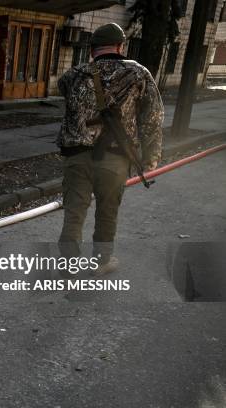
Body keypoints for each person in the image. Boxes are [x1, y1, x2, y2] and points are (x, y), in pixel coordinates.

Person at [57, 22, 164, 276]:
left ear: (92, 49)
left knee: (74, 210)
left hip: (76, 156)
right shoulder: (138, 73)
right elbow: (153, 117)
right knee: (107, 210)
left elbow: (65, 93)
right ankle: (102, 261)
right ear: (120, 46)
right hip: (114, 159)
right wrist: (151, 157)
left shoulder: (73, 75)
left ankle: (69, 263)